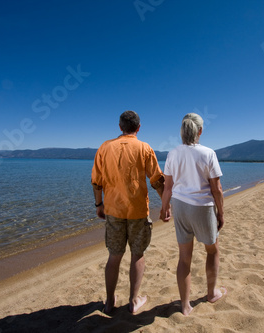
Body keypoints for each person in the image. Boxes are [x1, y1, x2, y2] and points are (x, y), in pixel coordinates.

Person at [91, 110, 164, 314]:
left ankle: (109, 302)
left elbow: (96, 182)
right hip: (138, 211)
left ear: (120, 127)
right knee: (137, 255)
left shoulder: (105, 147)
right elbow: (157, 180)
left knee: (114, 256)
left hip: (113, 210)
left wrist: (99, 205)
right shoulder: (144, 148)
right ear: (138, 128)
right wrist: (166, 205)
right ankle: (132, 301)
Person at [160, 113, 226, 316]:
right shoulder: (208, 153)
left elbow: (168, 187)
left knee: (184, 258)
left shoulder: (172, 154)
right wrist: (221, 213)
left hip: (180, 207)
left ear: (182, 130)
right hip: (202, 207)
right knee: (212, 251)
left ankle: (185, 305)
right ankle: (212, 292)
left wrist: (164, 208)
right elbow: (217, 189)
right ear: (200, 131)